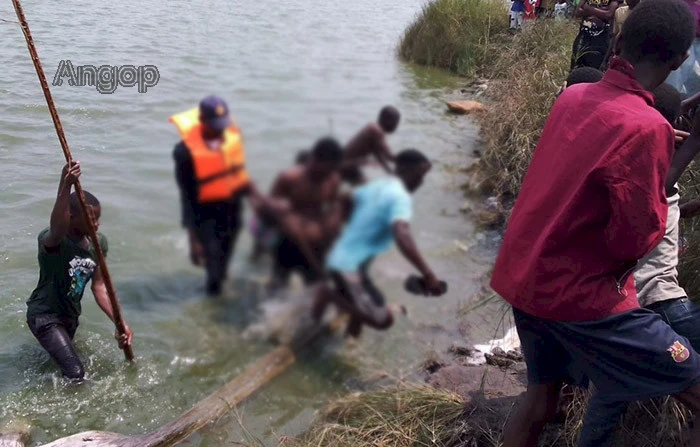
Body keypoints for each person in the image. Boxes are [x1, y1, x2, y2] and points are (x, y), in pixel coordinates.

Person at [490, 1, 700, 446]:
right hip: (578, 296)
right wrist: (658, 145)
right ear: (682, 60)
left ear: (620, 42)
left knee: (541, 398)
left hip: (523, 278)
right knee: (692, 377)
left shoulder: (573, 96)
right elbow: (633, 241)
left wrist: (656, 141)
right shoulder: (646, 128)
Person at [312, 149, 445, 337]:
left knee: (357, 304)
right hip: (349, 268)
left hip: (342, 259)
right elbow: (402, 233)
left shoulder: (380, 185)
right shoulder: (400, 197)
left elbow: (345, 200)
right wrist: (428, 275)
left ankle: (343, 337)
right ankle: (328, 295)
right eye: (419, 175)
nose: (420, 182)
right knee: (383, 319)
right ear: (405, 170)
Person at [26, 162, 134, 382]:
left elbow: (99, 286)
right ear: (72, 218)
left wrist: (119, 322)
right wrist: (65, 184)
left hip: (70, 317)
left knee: (63, 363)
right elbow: (57, 223)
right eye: (91, 219)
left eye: (98, 218)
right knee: (76, 374)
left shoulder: (98, 243)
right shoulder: (53, 240)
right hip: (44, 316)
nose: (98, 224)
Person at [171, 95, 252, 296]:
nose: (219, 131)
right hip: (205, 217)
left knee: (223, 263)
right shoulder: (185, 153)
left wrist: (261, 203)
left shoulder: (230, 138)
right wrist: (193, 240)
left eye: (222, 125)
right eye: (214, 126)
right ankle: (212, 308)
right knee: (214, 272)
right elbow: (186, 197)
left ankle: (218, 287)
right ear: (202, 120)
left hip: (233, 212)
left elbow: (239, 176)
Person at [268, 137, 345, 289]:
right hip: (287, 242)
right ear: (315, 159)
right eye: (327, 168)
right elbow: (270, 211)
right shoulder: (289, 178)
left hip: (316, 244)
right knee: (278, 285)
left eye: (334, 169)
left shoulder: (333, 180)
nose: (329, 174)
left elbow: (332, 209)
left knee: (315, 286)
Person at [342, 106, 400, 185]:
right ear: (388, 121)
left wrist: (391, 174)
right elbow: (389, 156)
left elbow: (379, 157)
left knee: (369, 187)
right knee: (369, 190)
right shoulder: (376, 131)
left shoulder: (373, 128)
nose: (396, 127)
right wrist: (410, 158)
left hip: (350, 166)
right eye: (396, 122)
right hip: (345, 166)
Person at [570, 0, 619, 70]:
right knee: (576, 67)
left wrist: (588, 9)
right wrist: (601, 12)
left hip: (601, 39)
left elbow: (609, 14)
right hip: (583, 36)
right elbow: (578, 12)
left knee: (596, 70)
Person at [666, 0, 700, 99]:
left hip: (696, 41)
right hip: (683, 39)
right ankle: (677, 99)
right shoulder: (678, 4)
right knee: (683, 69)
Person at [599, 0, 641, 70]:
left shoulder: (643, 13)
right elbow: (614, 36)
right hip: (619, 55)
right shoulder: (619, 12)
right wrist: (605, 60)